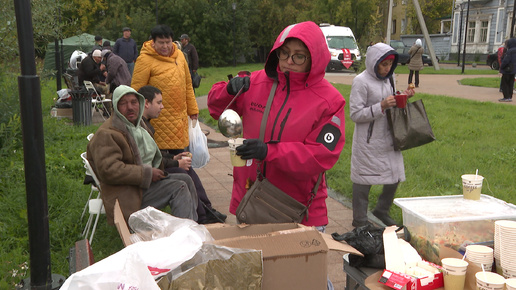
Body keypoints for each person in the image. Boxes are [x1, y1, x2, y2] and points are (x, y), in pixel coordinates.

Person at [207, 21, 346, 230]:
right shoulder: (255, 82)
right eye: (284, 53)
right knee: (253, 262)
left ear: (314, 60)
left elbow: (320, 156)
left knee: (296, 263)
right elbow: (218, 110)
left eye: (299, 56)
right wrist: (228, 90)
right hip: (251, 200)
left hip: (297, 208)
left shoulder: (330, 101)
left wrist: (268, 151)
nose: (289, 61)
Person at [86, 85, 199, 225]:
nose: (130, 107)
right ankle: (184, 236)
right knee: (179, 187)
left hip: (138, 186)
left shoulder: (135, 126)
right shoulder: (107, 133)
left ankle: (194, 226)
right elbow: (109, 170)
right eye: (123, 103)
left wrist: (172, 160)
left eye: (134, 102)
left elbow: (148, 155)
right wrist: (147, 173)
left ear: (139, 104)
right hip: (126, 195)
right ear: (115, 107)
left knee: (186, 179)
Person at [138, 85, 227, 224]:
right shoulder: (140, 127)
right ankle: (200, 217)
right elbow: (150, 160)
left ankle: (203, 214)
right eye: (159, 102)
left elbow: (153, 154)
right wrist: (175, 162)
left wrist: (173, 158)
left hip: (149, 172)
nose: (162, 107)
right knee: (183, 176)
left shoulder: (145, 125)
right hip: (145, 180)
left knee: (186, 171)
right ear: (146, 103)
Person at [349, 43, 415, 228]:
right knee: (363, 179)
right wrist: (381, 106)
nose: (387, 68)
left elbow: (390, 99)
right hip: (368, 141)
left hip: (389, 135)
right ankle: (360, 220)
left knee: (394, 175)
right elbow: (355, 114)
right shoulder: (360, 82)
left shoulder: (389, 78)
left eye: (390, 64)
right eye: (383, 64)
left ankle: (381, 210)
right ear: (373, 62)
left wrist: (402, 96)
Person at [131, 24, 198, 156]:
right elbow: (136, 91)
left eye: (168, 42)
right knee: (164, 160)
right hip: (157, 121)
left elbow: (187, 84)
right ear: (153, 42)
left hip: (179, 119)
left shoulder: (179, 56)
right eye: (161, 43)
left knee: (180, 157)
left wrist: (193, 109)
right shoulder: (144, 60)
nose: (165, 46)